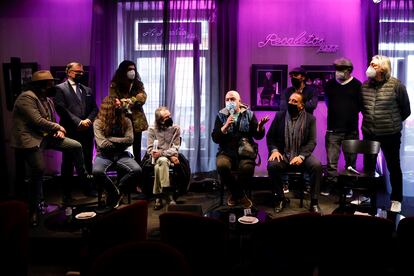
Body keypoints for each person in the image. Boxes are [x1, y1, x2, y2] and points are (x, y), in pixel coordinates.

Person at [11, 70, 90, 226]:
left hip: (46, 136)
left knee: (75, 146)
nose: (52, 85)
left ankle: (84, 176)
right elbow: (37, 120)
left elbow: (52, 119)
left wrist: (57, 131)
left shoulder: (47, 99)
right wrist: (57, 127)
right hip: (30, 140)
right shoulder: (26, 97)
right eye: (49, 83)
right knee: (39, 170)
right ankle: (34, 209)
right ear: (40, 85)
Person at [361, 55, 411, 213]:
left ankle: (396, 199)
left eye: (373, 65)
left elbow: (406, 110)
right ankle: (367, 195)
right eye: (370, 63)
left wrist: (392, 122)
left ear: (383, 68)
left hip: (391, 134)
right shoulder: (365, 85)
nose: (370, 66)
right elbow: (364, 108)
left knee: (393, 166)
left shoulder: (396, 85)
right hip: (370, 133)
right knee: (368, 167)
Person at [212, 90, 269, 208]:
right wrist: (225, 126)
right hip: (226, 152)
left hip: (245, 152)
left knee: (247, 168)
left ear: (239, 101)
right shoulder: (221, 115)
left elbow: (257, 136)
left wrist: (259, 127)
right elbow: (215, 138)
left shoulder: (249, 114)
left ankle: (234, 195)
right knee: (222, 165)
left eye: (232, 99)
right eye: (227, 100)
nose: (229, 102)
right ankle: (241, 196)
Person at [267, 92, 322, 213]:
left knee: (317, 166)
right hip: (284, 154)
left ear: (301, 105)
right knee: (272, 166)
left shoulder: (310, 119)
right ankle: (281, 198)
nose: (290, 103)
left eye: (294, 101)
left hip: (301, 155)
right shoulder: (279, 116)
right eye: (290, 100)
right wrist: (274, 150)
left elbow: (312, 141)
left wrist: (301, 156)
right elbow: (270, 137)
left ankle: (314, 202)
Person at [54, 62, 98, 202]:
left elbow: (94, 109)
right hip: (70, 131)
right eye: (77, 71)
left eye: (82, 71)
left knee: (87, 161)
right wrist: (78, 122)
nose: (81, 73)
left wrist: (88, 121)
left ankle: (88, 189)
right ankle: (66, 194)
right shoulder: (59, 89)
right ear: (68, 72)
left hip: (86, 131)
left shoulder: (87, 89)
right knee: (68, 162)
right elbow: (61, 108)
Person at [92, 96, 142, 209]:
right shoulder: (98, 122)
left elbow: (130, 140)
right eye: (117, 105)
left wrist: (109, 138)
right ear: (109, 108)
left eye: (120, 105)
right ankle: (114, 192)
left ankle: (117, 190)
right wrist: (119, 143)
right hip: (104, 155)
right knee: (97, 172)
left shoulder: (127, 121)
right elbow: (102, 144)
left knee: (137, 170)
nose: (120, 107)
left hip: (121, 154)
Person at [322, 58, 362, 196]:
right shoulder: (329, 85)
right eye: (336, 69)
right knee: (331, 162)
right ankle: (331, 185)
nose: (337, 72)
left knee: (350, 162)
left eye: (340, 69)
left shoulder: (357, 85)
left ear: (349, 70)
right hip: (333, 130)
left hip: (351, 131)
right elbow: (328, 103)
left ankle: (349, 187)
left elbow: (360, 106)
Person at [109, 60, 148, 163]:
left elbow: (143, 98)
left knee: (137, 147)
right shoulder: (115, 84)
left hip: (137, 120)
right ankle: (123, 169)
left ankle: (138, 170)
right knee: (122, 146)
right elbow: (114, 101)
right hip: (122, 119)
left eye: (134, 69)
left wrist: (131, 101)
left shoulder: (138, 84)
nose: (132, 71)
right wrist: (131, 101)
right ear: (123, 70)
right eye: (130, 69)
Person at [146, 106, 181, 210]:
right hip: (155, 159)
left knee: (161, 162)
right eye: (166, 117)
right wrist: (154, 153)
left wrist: (161, 153)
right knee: (161, 162)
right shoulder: (152, 129)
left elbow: (175, 148)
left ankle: (159, 196)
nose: (169, 118)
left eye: (170, 116)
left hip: (170, 158)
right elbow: (149, 149)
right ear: (159, 120)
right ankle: (168, 193)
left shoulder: (176, 128)